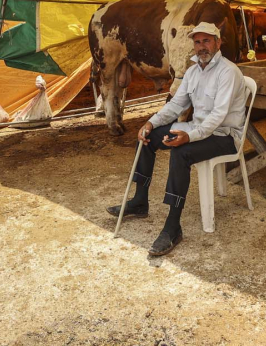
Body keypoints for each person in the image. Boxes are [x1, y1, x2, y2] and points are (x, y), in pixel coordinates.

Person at [107, 22, 250, 257]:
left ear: (218, 42)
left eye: (206, 41)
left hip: (224, 135)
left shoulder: (229, 72)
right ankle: (140, 201)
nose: (201, 46)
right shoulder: (193, 71)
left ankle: (173, 227)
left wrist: (189, 136)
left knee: (181, 153)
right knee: (147, 138)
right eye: (197, 41)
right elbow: (176, 104)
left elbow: (218, 116)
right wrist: (151, 122)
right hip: (197, 129)